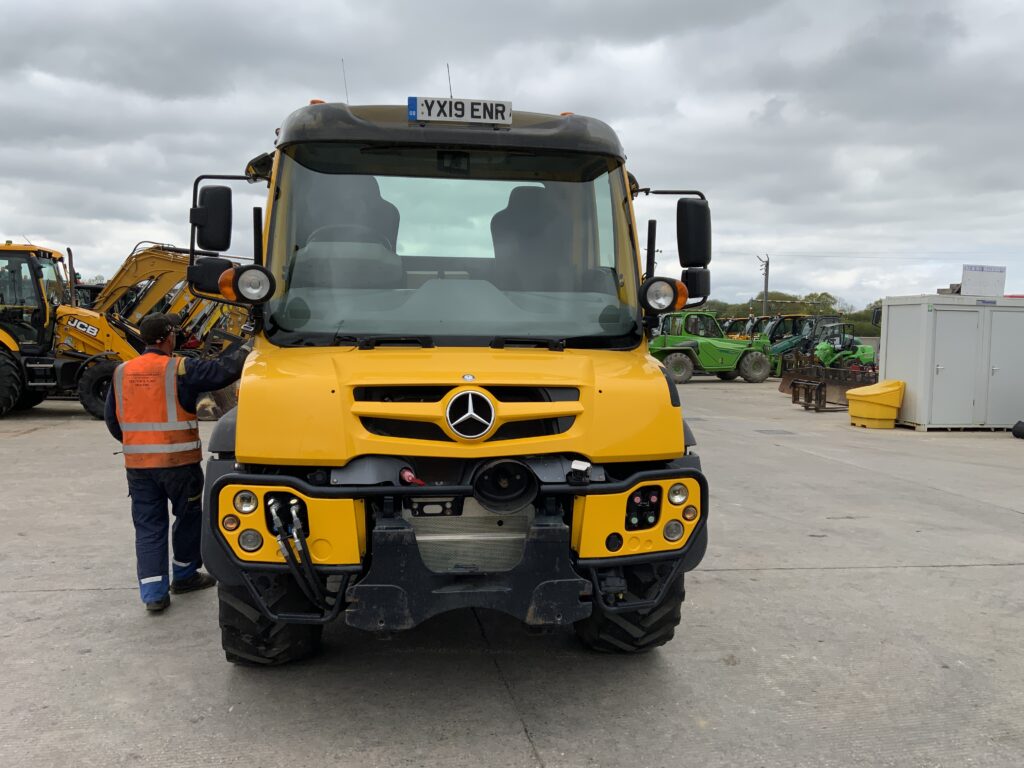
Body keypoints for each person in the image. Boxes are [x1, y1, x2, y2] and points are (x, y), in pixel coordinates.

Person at [104, 312, 249, 612]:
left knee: (148, 525)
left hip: (139, 466)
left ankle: (154, 594)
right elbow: (222, 371)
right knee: (189, 517)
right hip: (179, 464)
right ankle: (183, 574)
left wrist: (139, 444)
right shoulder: (180, 369)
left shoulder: (122, 372)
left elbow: (112, 420)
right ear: (169, 337)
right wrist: (250, 345)